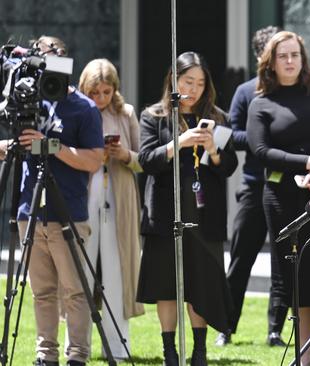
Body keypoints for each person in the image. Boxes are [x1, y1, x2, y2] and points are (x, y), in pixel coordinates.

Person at [0, 36, 104, 366]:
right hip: (29, 210)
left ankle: (77, 357)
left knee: (74, 292)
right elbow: (16, 143)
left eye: (53, 59)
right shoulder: (29, 100)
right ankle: (46, 356)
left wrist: (51, 146)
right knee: (42, 292)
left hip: (68, 211)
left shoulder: (83, 108)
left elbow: (94, 160)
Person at [247, 31, 310, 366]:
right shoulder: (261, 102)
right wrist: (306, 163)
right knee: (298, 280)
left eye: (295, 55)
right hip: (283, 200)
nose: (290, 61)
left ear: (303, 58)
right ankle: (306, 354)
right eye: (282, 56)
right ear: (270, 63)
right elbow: (260, 150)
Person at [137, 51, 237, 366]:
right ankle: (169, 352)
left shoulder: (218, 117)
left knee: (200, 284)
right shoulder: (153, 116)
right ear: (174, 80)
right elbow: (146, 161)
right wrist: (178, 143)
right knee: (167, 285)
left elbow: (229, 166)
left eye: (199, 83)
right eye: (187, 81)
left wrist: (213, 150)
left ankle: (200, 352)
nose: (193, 89)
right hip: (165, 213)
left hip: (204, 214)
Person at [216, 25, 289, 348]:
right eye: (274, 55)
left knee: (283, 259)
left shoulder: (291, 91)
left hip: (288, 187)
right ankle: (226, 327)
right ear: (261, 56)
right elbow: (230, 136)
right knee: (240, 259)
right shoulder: (246, 91)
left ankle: (275, 329)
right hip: (253, 184)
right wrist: (264, 141)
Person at [78, 58, 144, 359]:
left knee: (117, 271)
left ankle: (117, 346)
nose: (101, 98)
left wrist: (123, 153)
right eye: (95, 93)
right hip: (86, 194)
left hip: (119, 197)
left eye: (106, 92)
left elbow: (144, 159)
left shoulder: (126, 112)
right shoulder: (78, 111)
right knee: (82, 268)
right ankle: (79, 344)